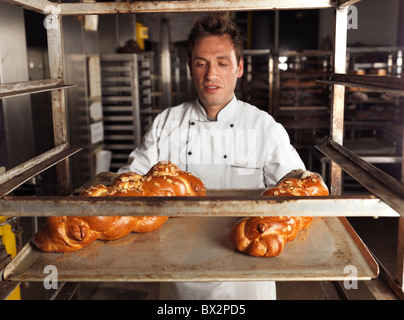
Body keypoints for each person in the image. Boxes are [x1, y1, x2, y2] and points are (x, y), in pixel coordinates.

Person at [119, 13, 307, 300]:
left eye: (222, 63)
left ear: (239, 67)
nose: (211, 75)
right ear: (190, 68)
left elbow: (299, 191)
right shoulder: (166, 123)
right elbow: (128, 184)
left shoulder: (263, 126)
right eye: (201, 63)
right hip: (178, 272)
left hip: (247, 277)